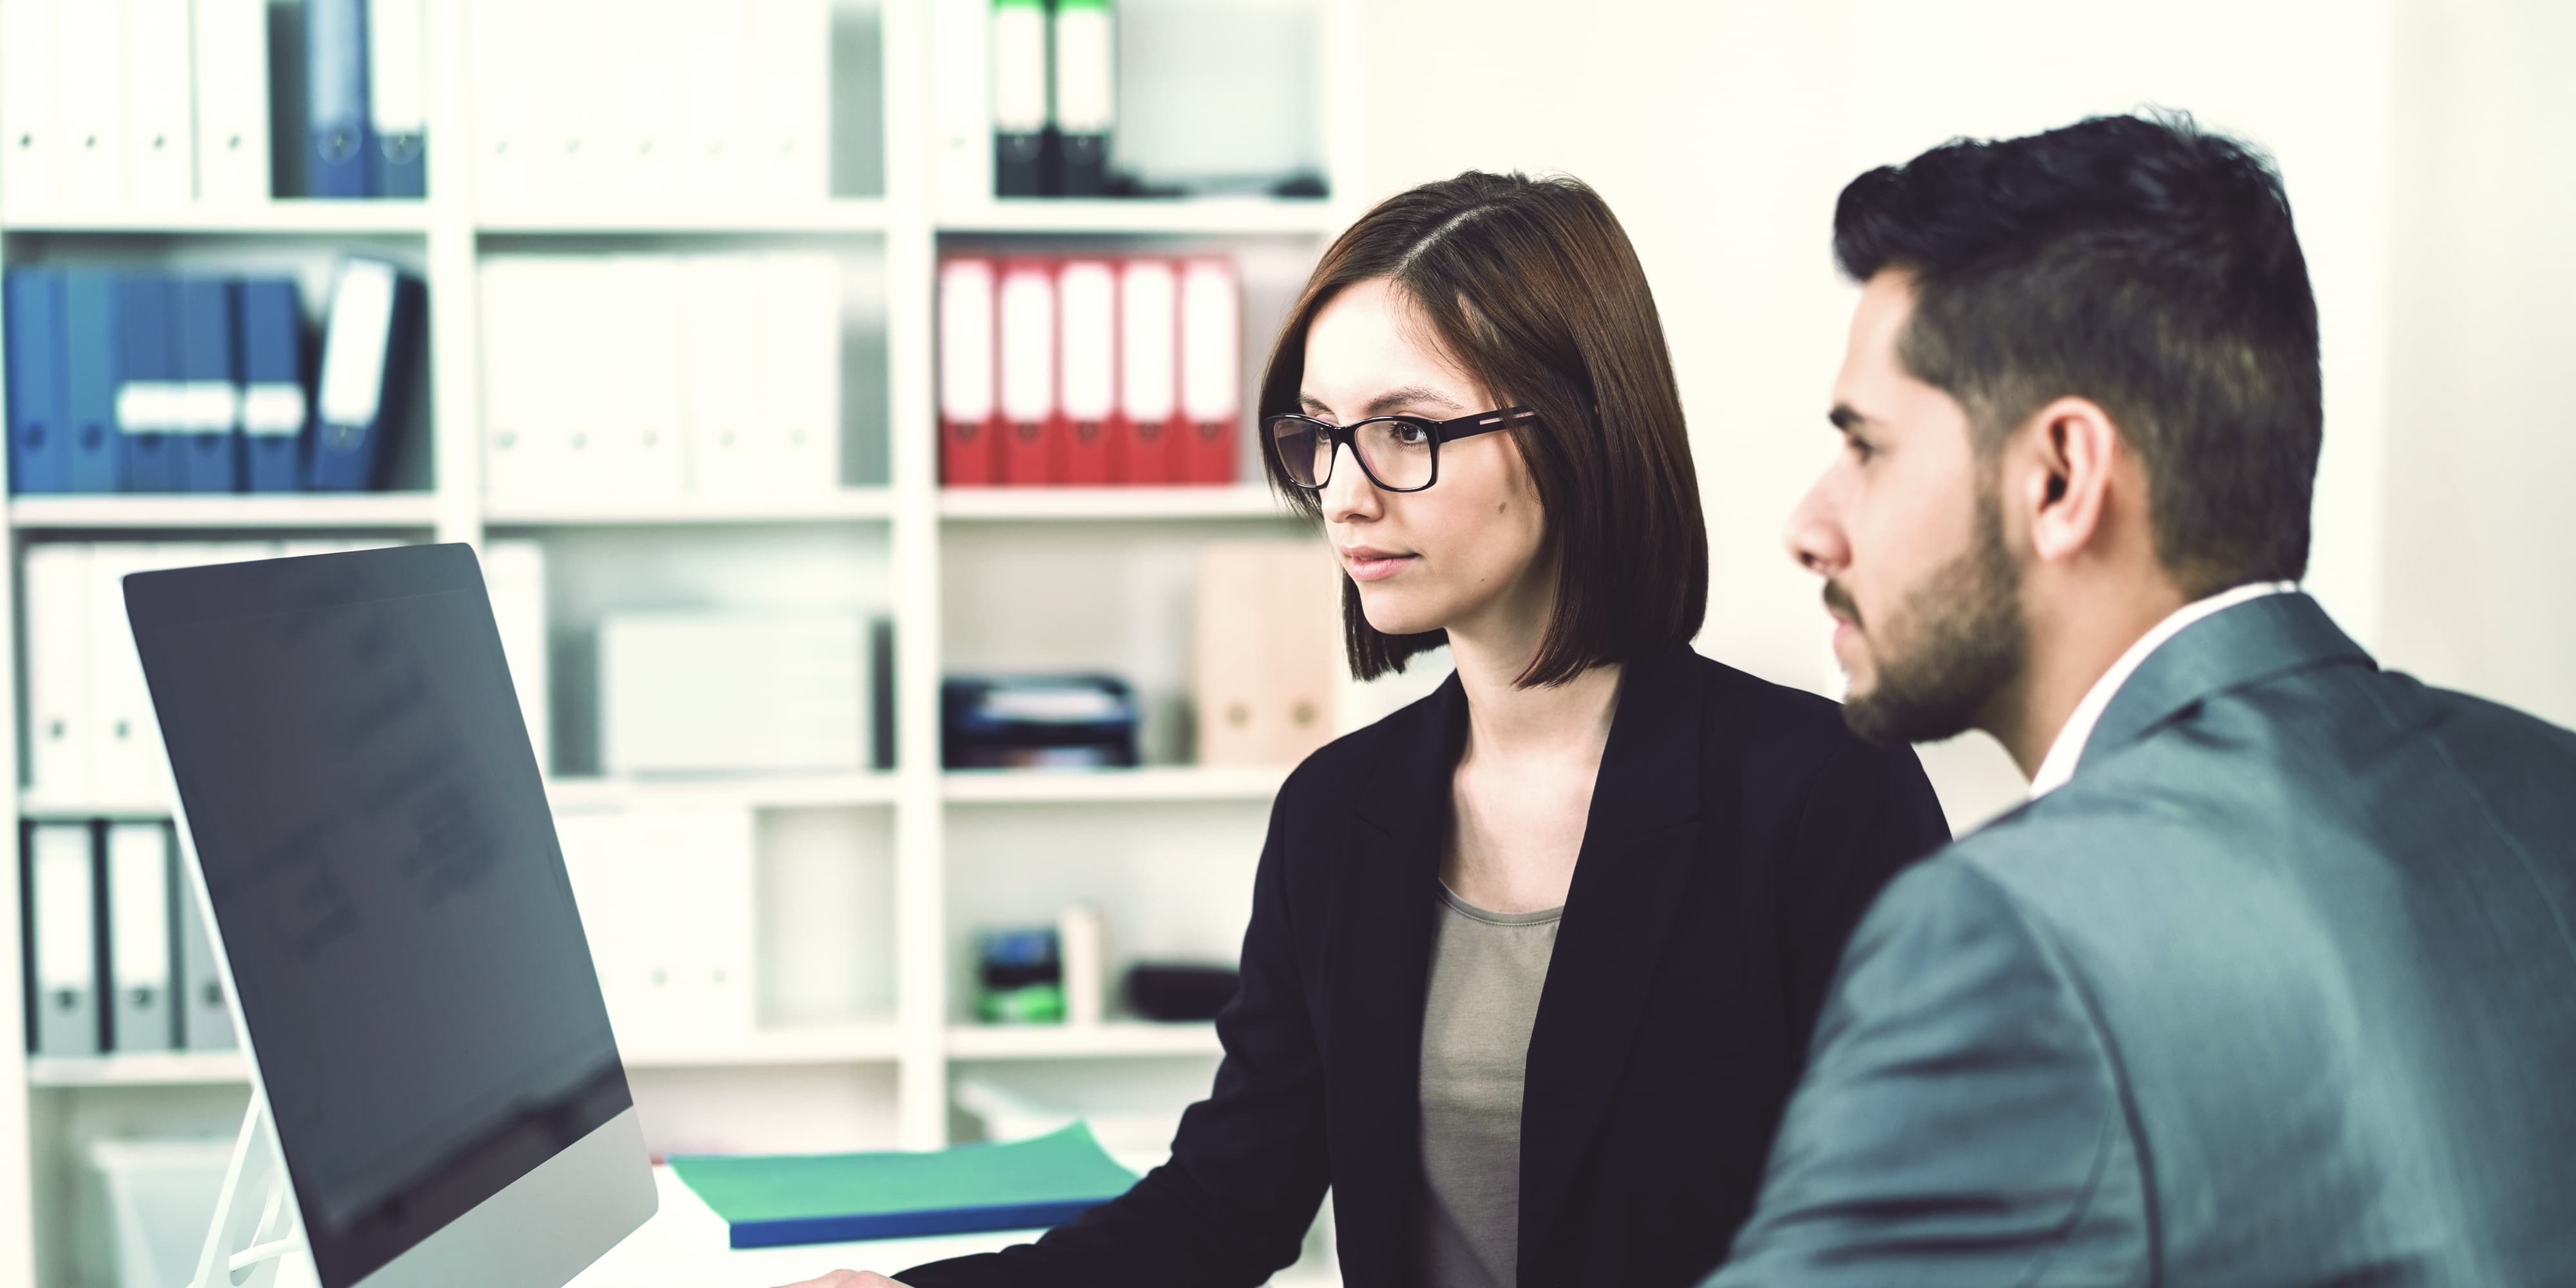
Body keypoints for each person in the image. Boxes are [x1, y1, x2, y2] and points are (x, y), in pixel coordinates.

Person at [779, 173, 1949, 1288]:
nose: (1342, 492)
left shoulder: (1822, 795)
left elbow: (1927, 1232)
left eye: (1406, 430)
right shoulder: (1337, 813)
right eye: (1321, 433)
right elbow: (1231, 1200)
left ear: (1577, 434)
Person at [1707, 113, 2576, 1285]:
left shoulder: (2006, 941)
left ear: (2062, 477)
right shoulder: (2546, 787)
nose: (1810, 527)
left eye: (1866, 446)